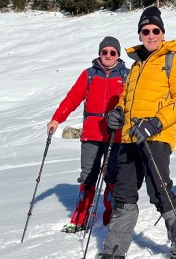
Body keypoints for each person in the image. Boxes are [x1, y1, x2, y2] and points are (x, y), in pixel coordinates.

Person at [102, 6, 176, 259]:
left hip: (156, 137)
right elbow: (126, 98)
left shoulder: (175, 60)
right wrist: (118, 113)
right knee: (123, 193)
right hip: (130, 137)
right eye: (146, 30)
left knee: (159, 191)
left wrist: (155, 123)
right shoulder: (136, 65)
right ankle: (114, 249)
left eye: (156, 30)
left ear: (163, 33)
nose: (151, 35)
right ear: (140, 33)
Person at [47, 36, 129, 233]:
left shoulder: (127, 75)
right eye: (104, 52)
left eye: (113, 52)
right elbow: (73, 98)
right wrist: (57, 119)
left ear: (118, 55)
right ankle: (80, 218)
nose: (108, 55)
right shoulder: (89, 74)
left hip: (115, 135)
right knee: (88, 176)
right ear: (100, 53)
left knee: (112, 176)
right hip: (91, 134)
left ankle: (110, 215)